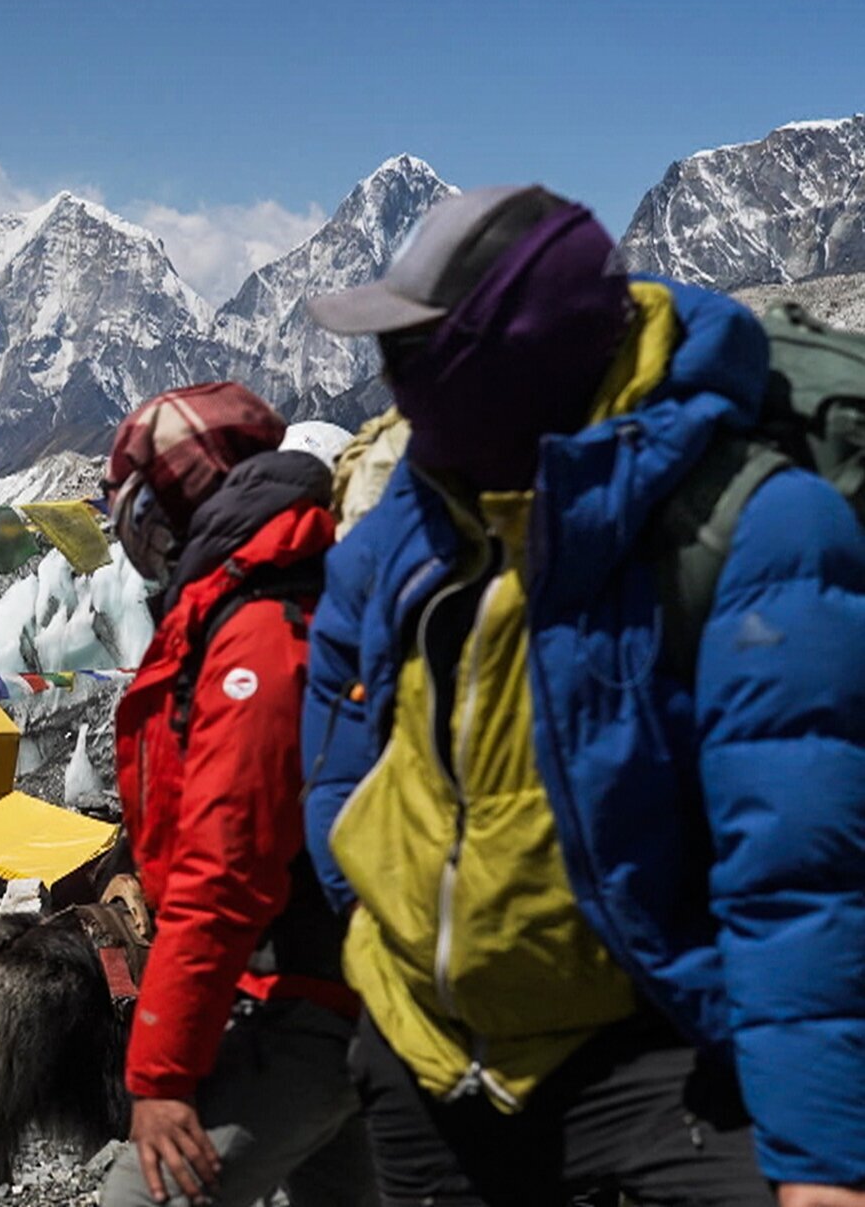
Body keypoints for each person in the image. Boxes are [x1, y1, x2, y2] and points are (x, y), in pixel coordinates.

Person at [300, 185, 865, 1205]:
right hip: (420, 1056)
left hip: (653, 1064)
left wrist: (819, 1159)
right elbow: (340, 722)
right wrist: (371, 918)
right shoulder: (419, 505)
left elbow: (795, 864)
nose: (388, 379)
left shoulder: (750, 524)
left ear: (498, 361)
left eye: (412, 351)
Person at [98, 382, 378, 1207]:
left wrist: (160, 1075)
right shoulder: (288, 590)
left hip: (297, 999)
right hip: (344, 992)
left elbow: (224, 868)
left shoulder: (254, 625)